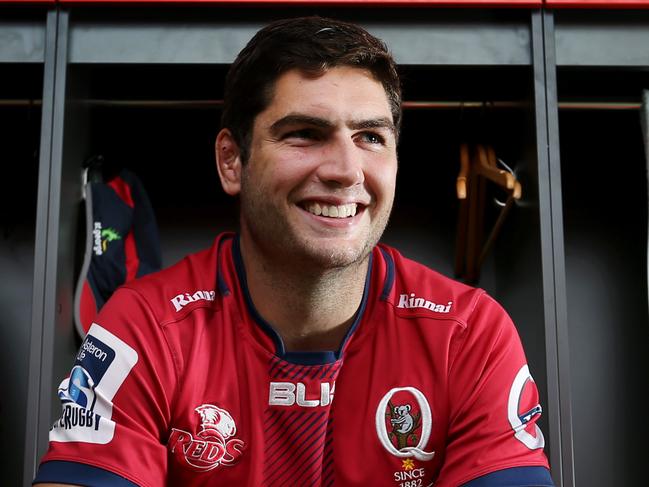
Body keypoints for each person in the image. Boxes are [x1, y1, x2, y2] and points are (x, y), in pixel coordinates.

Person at [34, 16, 554, 487]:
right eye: (305, 134)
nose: (346, 170)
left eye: (371, 137)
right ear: (232, 161)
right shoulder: (145, 327)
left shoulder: (468, 334)